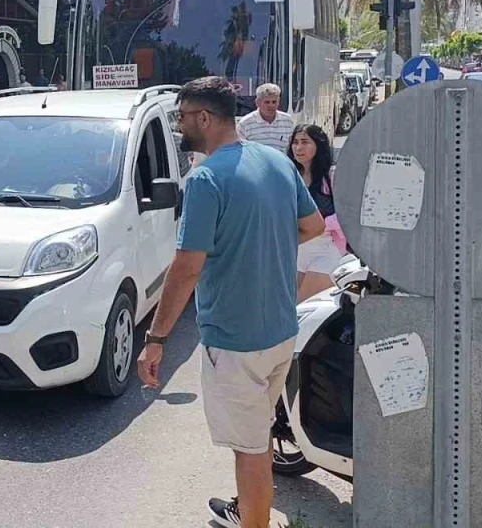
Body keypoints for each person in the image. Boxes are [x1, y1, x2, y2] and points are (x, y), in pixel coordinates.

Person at [136, 77, 324, 528]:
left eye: (181, 117)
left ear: (204, 118)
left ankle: (253, 520)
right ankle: (248, 509)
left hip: (237, 343)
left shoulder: (206, 179)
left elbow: (187, 268)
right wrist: (263, 246)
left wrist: (156, 339)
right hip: (280, 331)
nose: (179, 126)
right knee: (256, 437)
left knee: (250, 451)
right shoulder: (275, 162)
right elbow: (313, 225)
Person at [288, 124, 346, 303]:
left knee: (304, 305)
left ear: (318, 145)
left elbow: (348, 213)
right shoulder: (289, 175)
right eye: (295, 142)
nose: (298, 148)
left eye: (305, 142)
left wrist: (320, 222)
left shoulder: (331, 176)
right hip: (298, 250)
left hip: (327, 249)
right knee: (290, 306)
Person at [236, 83, 294, 153]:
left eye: (274, 102)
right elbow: (239, 149)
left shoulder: (287, 121)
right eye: (267, 102)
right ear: (257, 103)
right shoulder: (245, 123)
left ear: (278, 102)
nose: (271, 105)